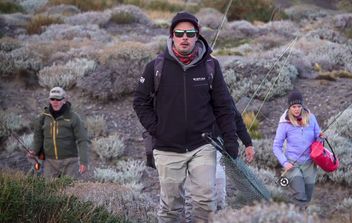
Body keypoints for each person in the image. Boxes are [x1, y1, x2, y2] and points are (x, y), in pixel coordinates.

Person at [133, 11, 246, 222]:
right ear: (172, 35)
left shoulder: (211, 66)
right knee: (171, 207)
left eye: (190, 33)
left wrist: (231, 139)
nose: (185, 37)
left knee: (205, 202)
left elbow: (223, 106)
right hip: (167, 148)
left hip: (202, 145)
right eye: (180, 33)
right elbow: (140, 102)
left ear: (197, 36)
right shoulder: (155, 67)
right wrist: (157, 129)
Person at [185, 105, 255, 221]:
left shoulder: (219, 89)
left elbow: (235, 117)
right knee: (190, 196)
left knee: (218, 194)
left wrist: (248, 143)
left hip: (215, 145)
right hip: (188, 148)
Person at [272, 90, 322, 205]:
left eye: (299, 106)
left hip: (310, 163)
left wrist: (321, 137)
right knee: (300, 194)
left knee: (307, 198)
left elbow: (317, 136)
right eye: (294, 106)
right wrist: (284, 163)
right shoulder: (284, 123)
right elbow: (276, 146)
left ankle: (297, 216)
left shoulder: (311, 118)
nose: (296, 109)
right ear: (289, 107)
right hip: (292, 164)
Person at [28, 87, 89, 178]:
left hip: (70, 162)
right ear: (49, 100)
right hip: (49, 162)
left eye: (58, 99)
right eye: (52, 99)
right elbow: (38, 137)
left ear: (64, 100)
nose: (55, 102)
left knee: (70, 190)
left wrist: (84, 162)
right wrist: (33, 150)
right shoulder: (43, 117)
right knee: (49, 190)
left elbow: (82, 140)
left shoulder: (73, 117)